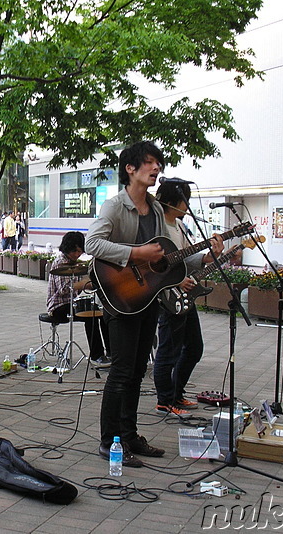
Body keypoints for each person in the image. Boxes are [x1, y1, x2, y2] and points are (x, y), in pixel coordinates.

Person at [85, 141, 171, 468]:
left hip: (147, 298)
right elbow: (93, 243)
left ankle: (129, 435)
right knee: (121, 372)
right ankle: (109, 443)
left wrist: (203, 259)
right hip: (119, 298)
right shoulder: (115, 207)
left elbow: (161, 258)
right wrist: (135, 254)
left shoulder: (158, 209)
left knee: (137, 371)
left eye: (158, 163)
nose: (155, 168)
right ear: (130, 169)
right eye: (149, 163)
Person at [152, 181, 223, 419]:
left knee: (194, 348)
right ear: (173, 201)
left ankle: (176, 392)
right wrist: (176, 281)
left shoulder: (180, 225)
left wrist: (212, 254)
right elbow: (153, 266)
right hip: (167, 296)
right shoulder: (156, 226)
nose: (188, 206)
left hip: (184, 296)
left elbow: (187, 258)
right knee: (168, 350)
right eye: (186, 201)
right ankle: (165, 400)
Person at [46, 231, 109, 364]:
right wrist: (83, 285)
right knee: (90, 316)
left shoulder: (74, 263)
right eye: (75, 251)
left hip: (70, 303)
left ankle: (111, 351)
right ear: (67, 248)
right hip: (58, 306)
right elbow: (64, 290)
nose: (77, 254)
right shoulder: (60, 263)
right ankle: (96, 354)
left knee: (104, 314)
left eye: (80, 251)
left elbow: (83, 285)